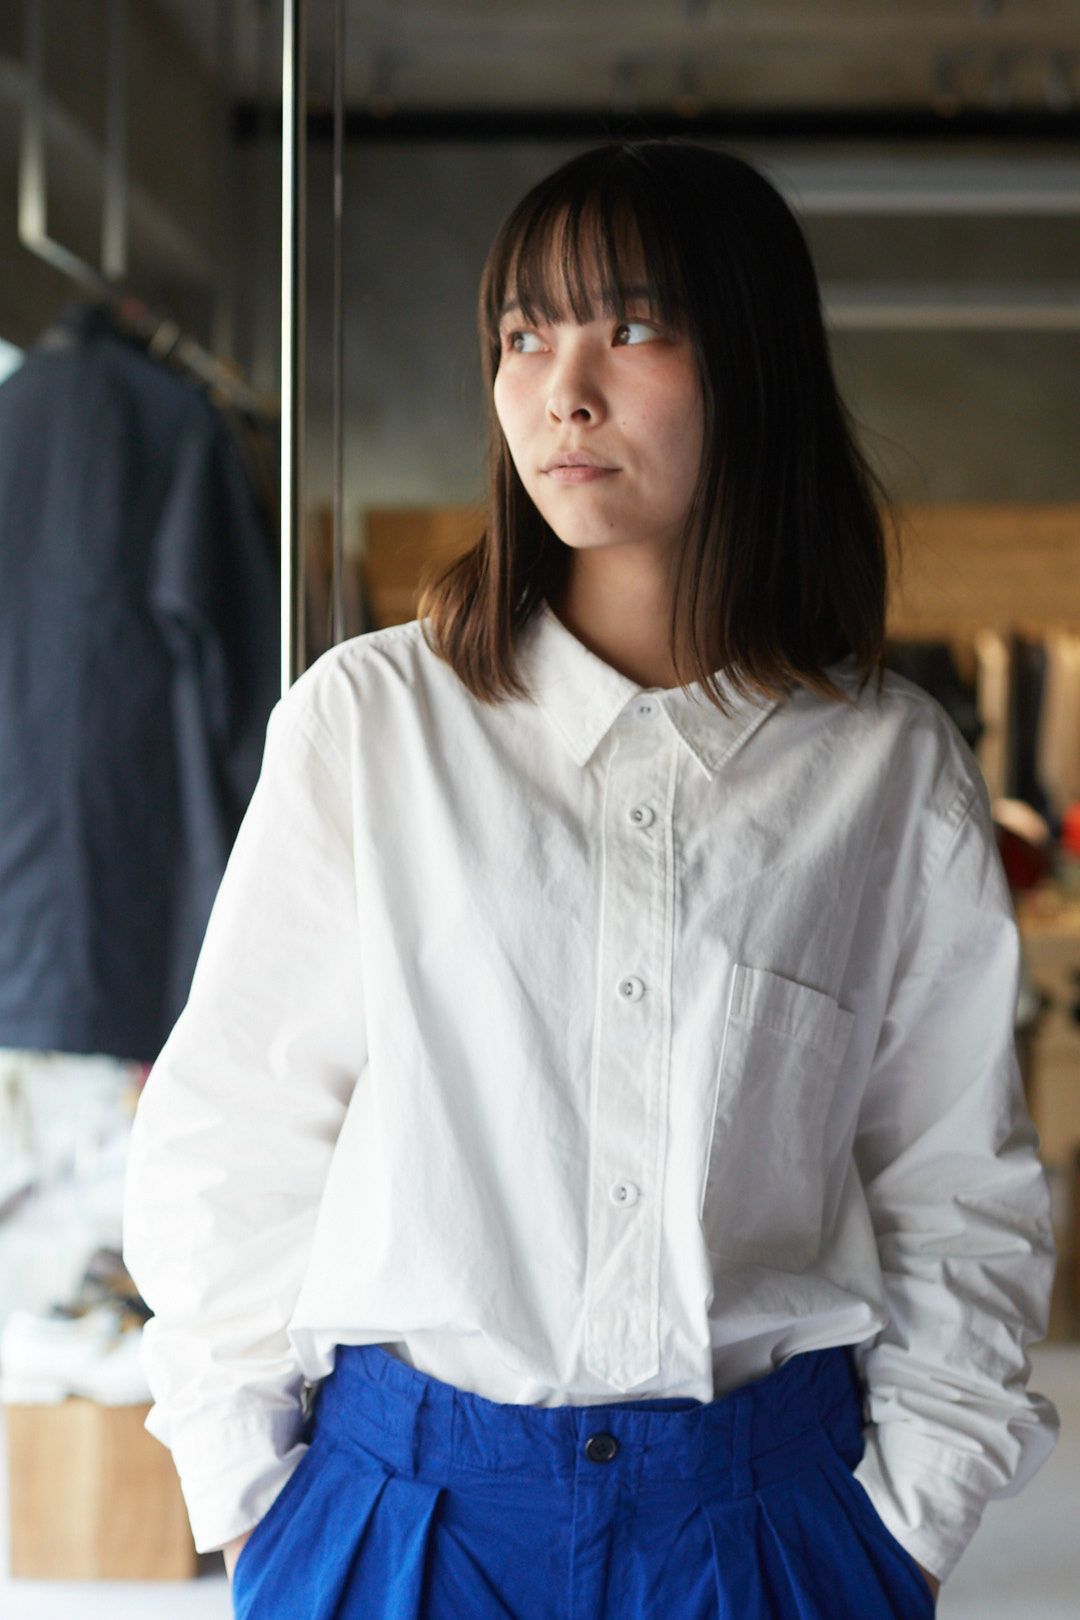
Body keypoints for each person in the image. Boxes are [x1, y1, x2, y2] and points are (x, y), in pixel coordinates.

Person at [122, 139, 1059, 1618]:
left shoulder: (886, 771)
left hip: (766, 1525)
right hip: (404, 1517)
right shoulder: (373, 723)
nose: (562, 388)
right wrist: (257, 1510)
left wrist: (904, 1531)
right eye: (522, 334)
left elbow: (956, 1186)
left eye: (631, 327)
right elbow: (234, 1133)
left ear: (749, 364)